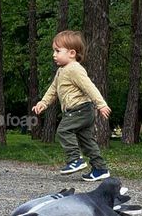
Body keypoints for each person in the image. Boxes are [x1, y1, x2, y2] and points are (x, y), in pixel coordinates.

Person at [32, 30, 112, 180]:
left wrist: (101, 104)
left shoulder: (74, 69)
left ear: (72, 53)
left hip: (79, 110)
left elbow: (89, 87)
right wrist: (43, 102)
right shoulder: (61, 71)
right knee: (87, 141)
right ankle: (100, 169)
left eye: (57, 51)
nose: (53, 55)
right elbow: (53, 89)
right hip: (82, 111)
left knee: (63, 130)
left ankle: (75, 159)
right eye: (53, 51)